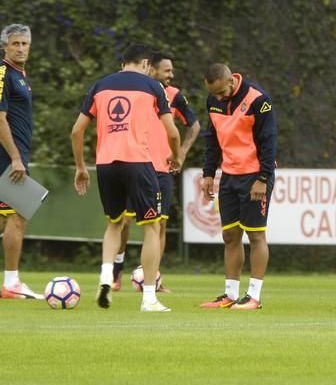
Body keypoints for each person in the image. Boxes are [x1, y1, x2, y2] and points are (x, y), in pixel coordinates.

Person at [70, 43, 183, 312]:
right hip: (138, 162)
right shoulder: (152, 87)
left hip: (106, 164)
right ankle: (149, 298)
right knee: (152, 228)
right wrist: (176, 157)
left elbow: (76, 132)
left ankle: (106, 277)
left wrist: (81, 167)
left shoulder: (100, 86)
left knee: (114, 224)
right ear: (145, 64)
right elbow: (173, 134)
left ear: (123, 63)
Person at [112, 51, 200, 292]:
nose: (171, 75)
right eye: (167, 71)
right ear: (151, 70)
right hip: (135, 164)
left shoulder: (173, 96)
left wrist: (180, 153)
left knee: (158, 225)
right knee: (124, 221)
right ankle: (116, 271)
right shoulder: (135, 93)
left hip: (162, 169)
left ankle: (154, 278)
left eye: (172, 71)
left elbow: (194, 124)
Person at [199, 63, 277, 311]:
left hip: (255, 175)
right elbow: (212, 139)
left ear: (231, 80)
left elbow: (269, 140)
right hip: (229, 176)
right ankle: (230, 294)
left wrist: (263, 178)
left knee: (256, 235)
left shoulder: (258, 100)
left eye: (222, 92)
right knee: (230, 235)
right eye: (215, 94)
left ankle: (254, 296)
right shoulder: (212, 101)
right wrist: (209, 173)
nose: (219, 98)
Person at [0, 24, 43, 299]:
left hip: (16, 155)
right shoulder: (4, 73)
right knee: (20, 214)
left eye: (24, 44)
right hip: (7, 156)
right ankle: (12, 283)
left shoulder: (20, 76)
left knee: (9, 219)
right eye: (15, 43)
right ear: (5, 46)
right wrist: (15, 157)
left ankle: (11, 283)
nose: (21, 48)